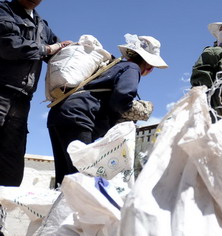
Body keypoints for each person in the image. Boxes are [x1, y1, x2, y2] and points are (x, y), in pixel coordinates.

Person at [0, 0, 71, 236]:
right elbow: (9, 46)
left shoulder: (42, 24)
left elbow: (56, 48)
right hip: (1, 92)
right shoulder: (4, 12)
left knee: (9, 173)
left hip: (21, 103)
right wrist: (48, 48)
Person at [47, 34, 168, 187]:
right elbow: (121, 100)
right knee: (82, 179)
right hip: (79, 117)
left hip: (59, 114)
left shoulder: (112, 66)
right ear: (149, 66)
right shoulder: (132, 68)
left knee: (65, 178)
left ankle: (63, 209)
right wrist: (138, 110)